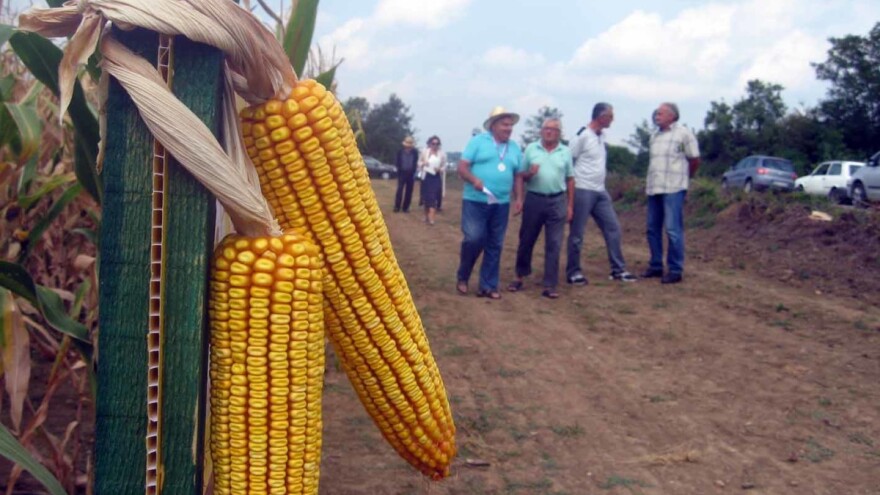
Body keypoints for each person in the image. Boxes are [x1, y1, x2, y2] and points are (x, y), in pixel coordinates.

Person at [565, 103, 637, 286]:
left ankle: (618, 269)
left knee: (613, 228)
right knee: (577, 233)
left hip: (600, 190)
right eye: (610, 116)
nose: (612, 120)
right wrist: (569, 191)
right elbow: (568, 161)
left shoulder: (601, 136)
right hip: (582, 189)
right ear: (601, 116)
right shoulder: (582, 136)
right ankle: (573, 272)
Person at [456, 106, 523, 299]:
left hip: (501, 203)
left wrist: (519, 198)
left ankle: (488, 286)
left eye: (510, 125)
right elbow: (462, 167)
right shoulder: (478, 142)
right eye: (504, 124)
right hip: (475, 200)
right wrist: (474, 180)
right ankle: (463, 275)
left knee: (495, 243)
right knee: (474, 238)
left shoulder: (515, 148)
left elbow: (518, 175)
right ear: (493, 125)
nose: (509, 128)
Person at [507, 118, 574, 299]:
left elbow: (570, 179)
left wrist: (570, 205)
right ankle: (519, 276)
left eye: (553, 129)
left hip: (557, 200)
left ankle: (550, 284)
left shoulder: (565, 152)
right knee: (526, 239)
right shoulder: (531, 149)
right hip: (534, 199)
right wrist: (520, 198)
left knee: (554, 243)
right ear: (541, 131)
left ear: (559, 133)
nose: (549, 132)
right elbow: (520, 176)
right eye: (546, 129)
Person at [643, 102, 700, 284]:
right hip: (655, 187)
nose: (656, 116)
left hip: (674, 188)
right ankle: (656, 265)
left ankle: (675, 269)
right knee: (652, 228)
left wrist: (685, 178)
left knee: (673, 229)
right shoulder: (654, 136)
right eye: (656, 113)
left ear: (671, 115)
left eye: (660, 113)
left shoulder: (684, 133)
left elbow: (694, 159)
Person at [418, 135, 447, 225]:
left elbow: (444, 166)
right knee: (426, 197)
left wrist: (440, 169)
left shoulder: (442, 154)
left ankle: (432, 219)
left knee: (433, 197)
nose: (435, 145)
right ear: (430, 144)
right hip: (426, 176)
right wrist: (423, 163)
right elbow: (419, 163)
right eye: (433, 143)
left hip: (436, 177)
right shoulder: (425, 152)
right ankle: (426, 216)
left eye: (437, 144)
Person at [393, 136, 419, 213]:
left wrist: (414, 171)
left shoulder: (415, 152)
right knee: (400, 190)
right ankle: (397, 206)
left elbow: (415, 162)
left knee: (409, 191)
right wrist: (398, 170)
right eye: (407, 145)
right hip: (402, 173)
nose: (408, 147)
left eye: (409, 145)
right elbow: (397, 161)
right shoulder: (400, 151)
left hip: (411, 173)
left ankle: (406, 207)